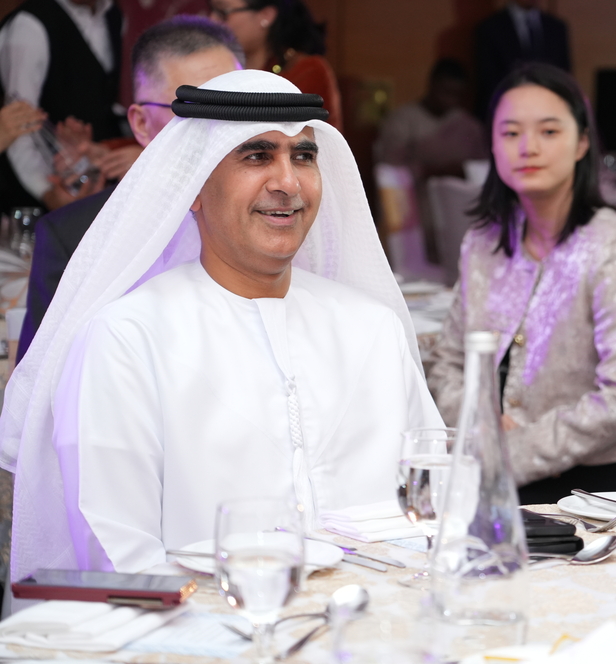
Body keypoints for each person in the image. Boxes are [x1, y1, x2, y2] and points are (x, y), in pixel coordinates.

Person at [0, 69, 442, 579]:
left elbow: (436, 506)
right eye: (257, 156)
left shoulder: (373, 329)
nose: (288, 182)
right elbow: (119, 556)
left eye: (303, 156)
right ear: (193, 188)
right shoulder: (127, 339)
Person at [427, 63, 616, 504]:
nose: (527, 147)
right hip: (482, 459)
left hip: (581, 483)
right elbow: (447, 363)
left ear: (582, 142)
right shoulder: (483, 243)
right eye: (510, 133)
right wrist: (481, 426)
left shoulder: (612, 244)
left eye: (549, 132)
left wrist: (516, 448)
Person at [16, 16, 244, 364]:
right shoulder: (72, 236)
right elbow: (43, 379)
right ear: (140, 123)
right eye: (192, 109)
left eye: (234, 106)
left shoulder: (279, 213)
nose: (219, 126)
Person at [0, 0, 124, 213]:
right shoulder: (31, 24)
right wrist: (47, 192)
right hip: (34, 203)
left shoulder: (113, 15)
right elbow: (18, 127)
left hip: (91, 183)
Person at [374, 57, 488, 263]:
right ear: (432, 85)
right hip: (414, 202)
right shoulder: (402, 120)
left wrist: (462, 171)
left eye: (456, 95)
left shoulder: (469, 127)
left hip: (455, 211)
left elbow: (484, 170)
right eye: (445, 92)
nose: (449, 100)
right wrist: (430, 171)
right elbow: (390, 171)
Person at [209, 0, 342, 130]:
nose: (212, 20)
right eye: (212, 10)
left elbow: (321, 139)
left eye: (223, 12)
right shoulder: (210, 69)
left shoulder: (305, 70)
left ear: (266, 15)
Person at [474, 0, 571, 120]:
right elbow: (488, 82)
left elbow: (564, 76)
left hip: (549, 112)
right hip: (506, 114)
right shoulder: (490, 28)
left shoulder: (556, 27)